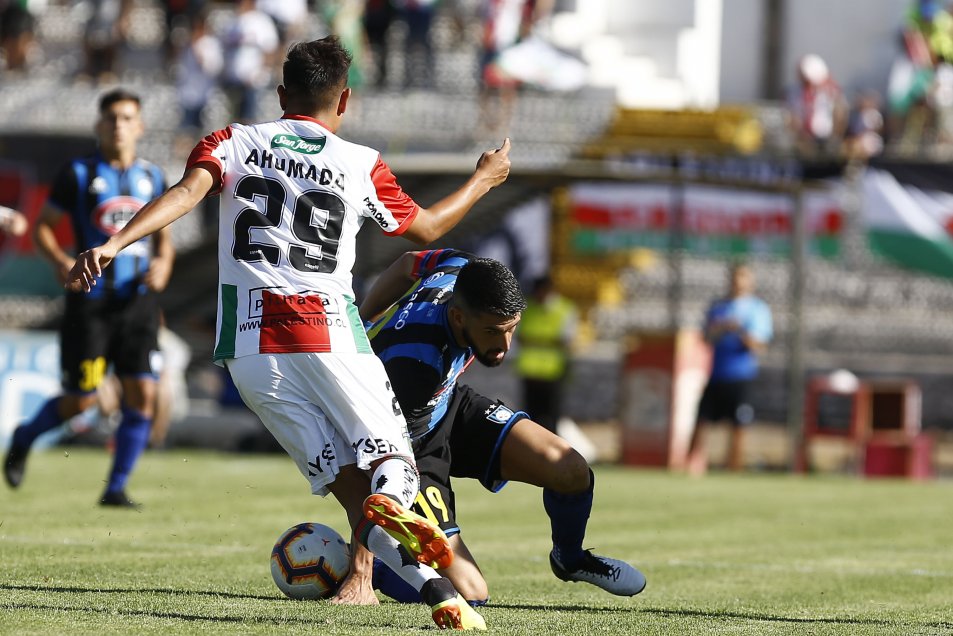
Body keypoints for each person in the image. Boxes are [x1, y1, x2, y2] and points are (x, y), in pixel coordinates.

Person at [64, 37, 511, 630]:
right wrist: (483, 179)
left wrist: (113, 242)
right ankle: (394, 502)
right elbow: (425, 229)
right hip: (328, 332)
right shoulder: (360, 163)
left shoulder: (231, 142)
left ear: (281, 95)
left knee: (350, 490)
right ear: (344, 99)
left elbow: (184, 194)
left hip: (250, 350)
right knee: (394, 463)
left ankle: (437, 596)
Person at [359, 249, 646, 606]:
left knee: (570, 469)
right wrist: (362, 564)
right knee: (470, 593)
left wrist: (361, 319)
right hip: (410, 447)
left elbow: (406, 263)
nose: (505, 344)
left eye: (512, 328)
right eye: (493, 331)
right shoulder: (413, 369)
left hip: (447, 405)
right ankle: (364, 564)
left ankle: (570, 560)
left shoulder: (462, 268)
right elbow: (374, 459)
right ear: (459, 316)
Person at [3, 88, 174, 508]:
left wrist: (165, 263)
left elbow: (163, 238)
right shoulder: (78, 174)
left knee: (144, 394)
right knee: (81, 399)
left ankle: (115, 487)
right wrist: (60, 260)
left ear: (140, 126)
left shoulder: (153, 177)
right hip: (92, 304)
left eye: (127, 117)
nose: (119, 125)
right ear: (99, 125)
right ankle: (25, 436)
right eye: (112, 117)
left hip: (138, 303)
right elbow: (44, 226)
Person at [686, 263, 773, 476]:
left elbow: (759, 344)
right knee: (701, 421)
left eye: (743, 277)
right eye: (735, 277)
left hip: (741, 375)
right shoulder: (718, 307)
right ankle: (689, 468)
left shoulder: (757, 309)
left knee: (738, 426)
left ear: (750, 281)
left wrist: (739, 330)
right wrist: (720, 329)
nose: (738, 282)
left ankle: (733, 469)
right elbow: (706, 338)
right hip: (716, 374)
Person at [514, 274, 577, 434]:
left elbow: (566, 340)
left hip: (553, 371)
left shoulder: (565, 309)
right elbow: (519, 337)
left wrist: (534, 340)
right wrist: (548, 341)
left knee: (552, 416)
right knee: (531, 417)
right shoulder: (527, 308)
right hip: (530, 371)